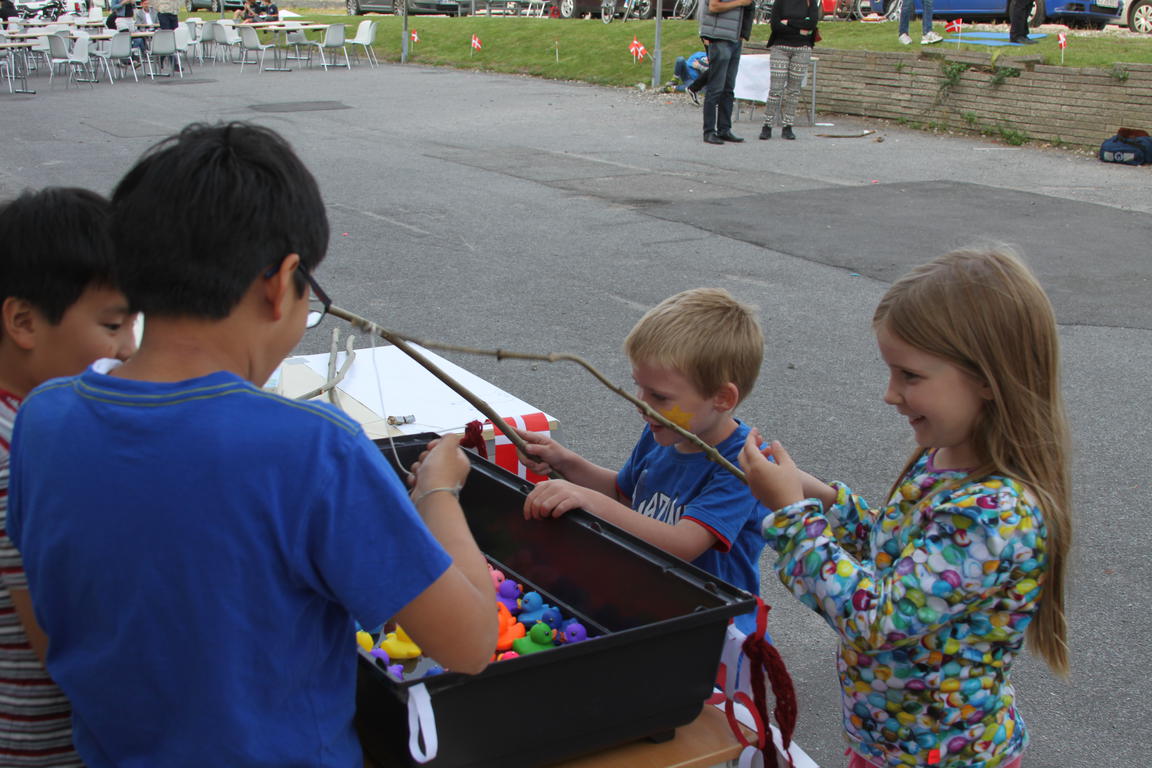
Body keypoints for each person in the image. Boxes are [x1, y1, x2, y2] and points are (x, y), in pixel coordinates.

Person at [7, 122, 497, 768]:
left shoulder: (43, 421)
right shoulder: (316, 453)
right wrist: (439, 491)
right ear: (280, 281)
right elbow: (470, 642)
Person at [739, 247, 1070, 768]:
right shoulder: (942, 461)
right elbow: (897, 556)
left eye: (910, 376)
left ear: (987, 377)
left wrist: (793, 520)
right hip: (888, 747)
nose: (890, 394)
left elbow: (878, 619)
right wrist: (820, 498)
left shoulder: (994, 513)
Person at [516, 288, 768, 632]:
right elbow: (624, 495)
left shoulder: (741, 464)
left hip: (714, 630)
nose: (641, 403)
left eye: (659, 396)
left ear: (722, 398)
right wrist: (566, 462)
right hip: (655, 607)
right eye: (639, 387)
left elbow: (683, 544)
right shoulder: (663, 432)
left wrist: (588, 500)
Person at [0, 186, 138, 768]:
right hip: (54, 745)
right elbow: (64, 644)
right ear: (24, 321)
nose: (130, 349)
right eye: (113, 325)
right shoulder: (21, 456)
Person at [758, 0, 819, 141]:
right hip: (780, 47)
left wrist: (788, 22)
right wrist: (799, 28)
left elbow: (811, 25)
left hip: (802, 49)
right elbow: (775, 26)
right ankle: (767, 125)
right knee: (776, 89)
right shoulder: (780, 1)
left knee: (794, 90)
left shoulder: (811, 2)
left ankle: (788, 126)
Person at [698, 0, 755, 145]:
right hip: (719, 38)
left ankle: (724, 129)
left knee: (728, 88)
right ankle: (709, 131)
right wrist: (740, 2)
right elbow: (714, 6)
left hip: (735, 39)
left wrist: (743, 33)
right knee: (716, 87)